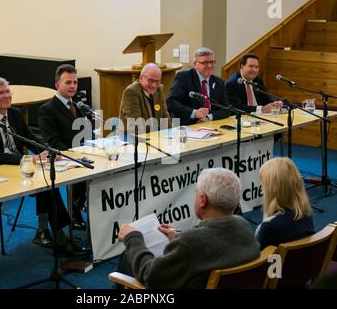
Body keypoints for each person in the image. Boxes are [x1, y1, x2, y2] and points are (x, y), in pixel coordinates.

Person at [0, 77, 87, 258]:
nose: (7, 96)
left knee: (48, 183)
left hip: (20, 168)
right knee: (42, 182)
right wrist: (29, 159)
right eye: (1, 92)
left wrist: (49, 151)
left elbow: (31, 139)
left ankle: (56, 237)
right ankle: (53, 236)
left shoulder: (16, 114)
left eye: (8, 91)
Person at [118, 168, 260, 288]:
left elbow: (150, 276)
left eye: (196, 193)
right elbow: (211, 246)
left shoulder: (190, 244)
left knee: (127, 257)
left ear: (202, 200)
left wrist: (133, 238)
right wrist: (178, 237)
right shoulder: (243, 226)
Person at [38, 64, 90, 230]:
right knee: (85, 170)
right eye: (68, 82)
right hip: (62, 158)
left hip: (81, 154)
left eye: (75, 82)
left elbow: (86, 133)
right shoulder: (47, 109)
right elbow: (52, 141)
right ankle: (73, 214)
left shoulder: (79, 106)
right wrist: (75, 155)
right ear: (57, 85)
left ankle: (78, 211)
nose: (73, 86)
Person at [255, 157, 315, 250]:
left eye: (263, 186)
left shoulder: (269, 227)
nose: (262, 191)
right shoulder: (306, 213)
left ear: (271, 190)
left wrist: (266, 219)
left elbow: (257, 259)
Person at [166, 47, 230, 126]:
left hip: (210, 124)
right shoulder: (184, 77)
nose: (210, 65)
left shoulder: (218, 81)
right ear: (195, 64)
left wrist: (208, 117)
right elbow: (171, 102)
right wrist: (194, 113)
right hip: (186, 125)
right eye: (205, 63)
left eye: (212, 62)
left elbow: (226, 109)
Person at [119, 63, 170, 135]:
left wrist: (169, 136)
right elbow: (135, 126)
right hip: (132, 140)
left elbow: (165, 116)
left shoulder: (159, 89)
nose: (154, 85)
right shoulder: (131, 92)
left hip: (155, 138)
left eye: (157, 81)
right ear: (141, 78)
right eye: (150, 80)